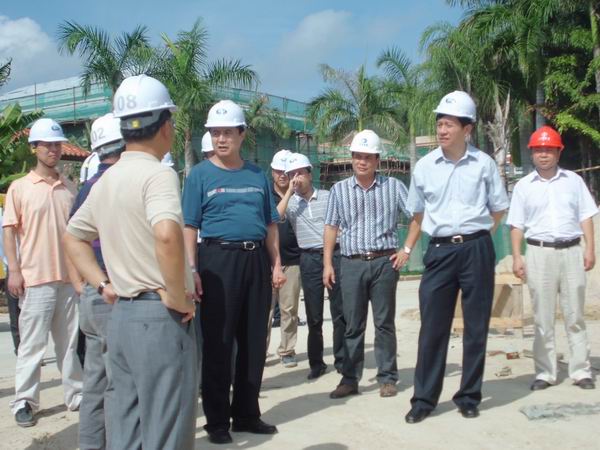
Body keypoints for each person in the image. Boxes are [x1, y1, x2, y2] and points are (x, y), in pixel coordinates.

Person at [64, 74, 197, 450]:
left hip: (121, 314)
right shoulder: (158, 175)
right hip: (159, 315)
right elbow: (167, 234)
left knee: (125, 427)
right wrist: (177, 297)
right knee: (167, 429)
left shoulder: (106, 180)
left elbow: (72, 237)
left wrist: (102, 284)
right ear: (166, 126)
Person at [182, 99, 285, 445]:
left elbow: (270, 224)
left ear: (242, 134)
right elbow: (189, 226)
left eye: (228, 132)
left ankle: (246, 414)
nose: (221, 139)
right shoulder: (199, 176)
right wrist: (191, 268)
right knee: (219, 343)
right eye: (215, 133)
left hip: (255, 260)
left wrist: (276, 263)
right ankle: (217, 422)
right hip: (216, 260)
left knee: (254, 341)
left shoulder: (257, 175)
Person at [404, 91, 509, 424]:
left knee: (476, 326)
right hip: (439, 251)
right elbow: (417, 212)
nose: (442, 130)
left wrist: (478, 236)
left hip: (477, 249)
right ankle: (424, 399)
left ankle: (468, 396)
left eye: (449, 124)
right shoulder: (425, 167)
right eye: (439, 124)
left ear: (468, 129)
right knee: (433, 327)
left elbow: (498, 209)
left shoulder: (484, 164)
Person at [3, 118, 83, 427]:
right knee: (32, 345)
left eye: (57, 145)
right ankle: (25, 401)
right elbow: (10, 232)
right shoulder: (20, 188)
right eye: (47, 145)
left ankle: (76, 395)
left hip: (68, 279)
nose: (53, 150)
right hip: (35, 279)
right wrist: (14, 270)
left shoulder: (69, 188)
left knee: (69, 344)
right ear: (34, 148)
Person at [507, 126, 597, 391]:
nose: (544, 154)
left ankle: (581, 371)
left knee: (575, 314)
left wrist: (590, 249)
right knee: (542, 317)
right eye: (539, 150)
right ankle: (545, 373)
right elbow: (516, 225)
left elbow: (586, 216)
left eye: (549, 149)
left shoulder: (573, 181)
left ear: (559, 152)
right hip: (539, 253)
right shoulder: (523, 187)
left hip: (572, 252)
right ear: (532, 153)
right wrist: (517, 256)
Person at [324, 130, 410, 399]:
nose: (362, 162)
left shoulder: (393, 187)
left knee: (384, 323)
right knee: (353, 324)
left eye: (368, 157)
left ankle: (387, 378)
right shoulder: (338, 190)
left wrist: (406, 249)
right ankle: (350, 379)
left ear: (377, 160)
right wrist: (327, 264)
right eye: (358, 156)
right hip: (351, 264)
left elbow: (416, 215)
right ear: (352, 158)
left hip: (385, 263)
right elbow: (331, 227)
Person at [68, 113, 125, 449]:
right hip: (114, 293)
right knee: (120, 383)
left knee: (95, 381)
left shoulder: (87, 188)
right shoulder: (120, 185)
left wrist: (85, 283)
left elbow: (72, 238)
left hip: (93, 291)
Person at [278, 152, 345, 379]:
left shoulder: (328, 196)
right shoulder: (290, 204)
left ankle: (342, 359)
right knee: (313, 315)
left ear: (309, 174)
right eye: (291, 175)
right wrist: (289, 191)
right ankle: (317, 363)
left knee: (339, 311)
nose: (295, 178)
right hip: (308, 259)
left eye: (299, 173)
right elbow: (275, 216)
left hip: (334, 255)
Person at [266, 149, 302, 368]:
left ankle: (287, 350)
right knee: (264, 311)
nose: (282, 175)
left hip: (292, 260)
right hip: (267, 262)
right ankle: (259, 351)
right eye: (278, 171)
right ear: (272, 171)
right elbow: (275, 216)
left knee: (289, 310)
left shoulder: (300, 195)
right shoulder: (265, 194)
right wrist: (288, 193)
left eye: (286, 172)